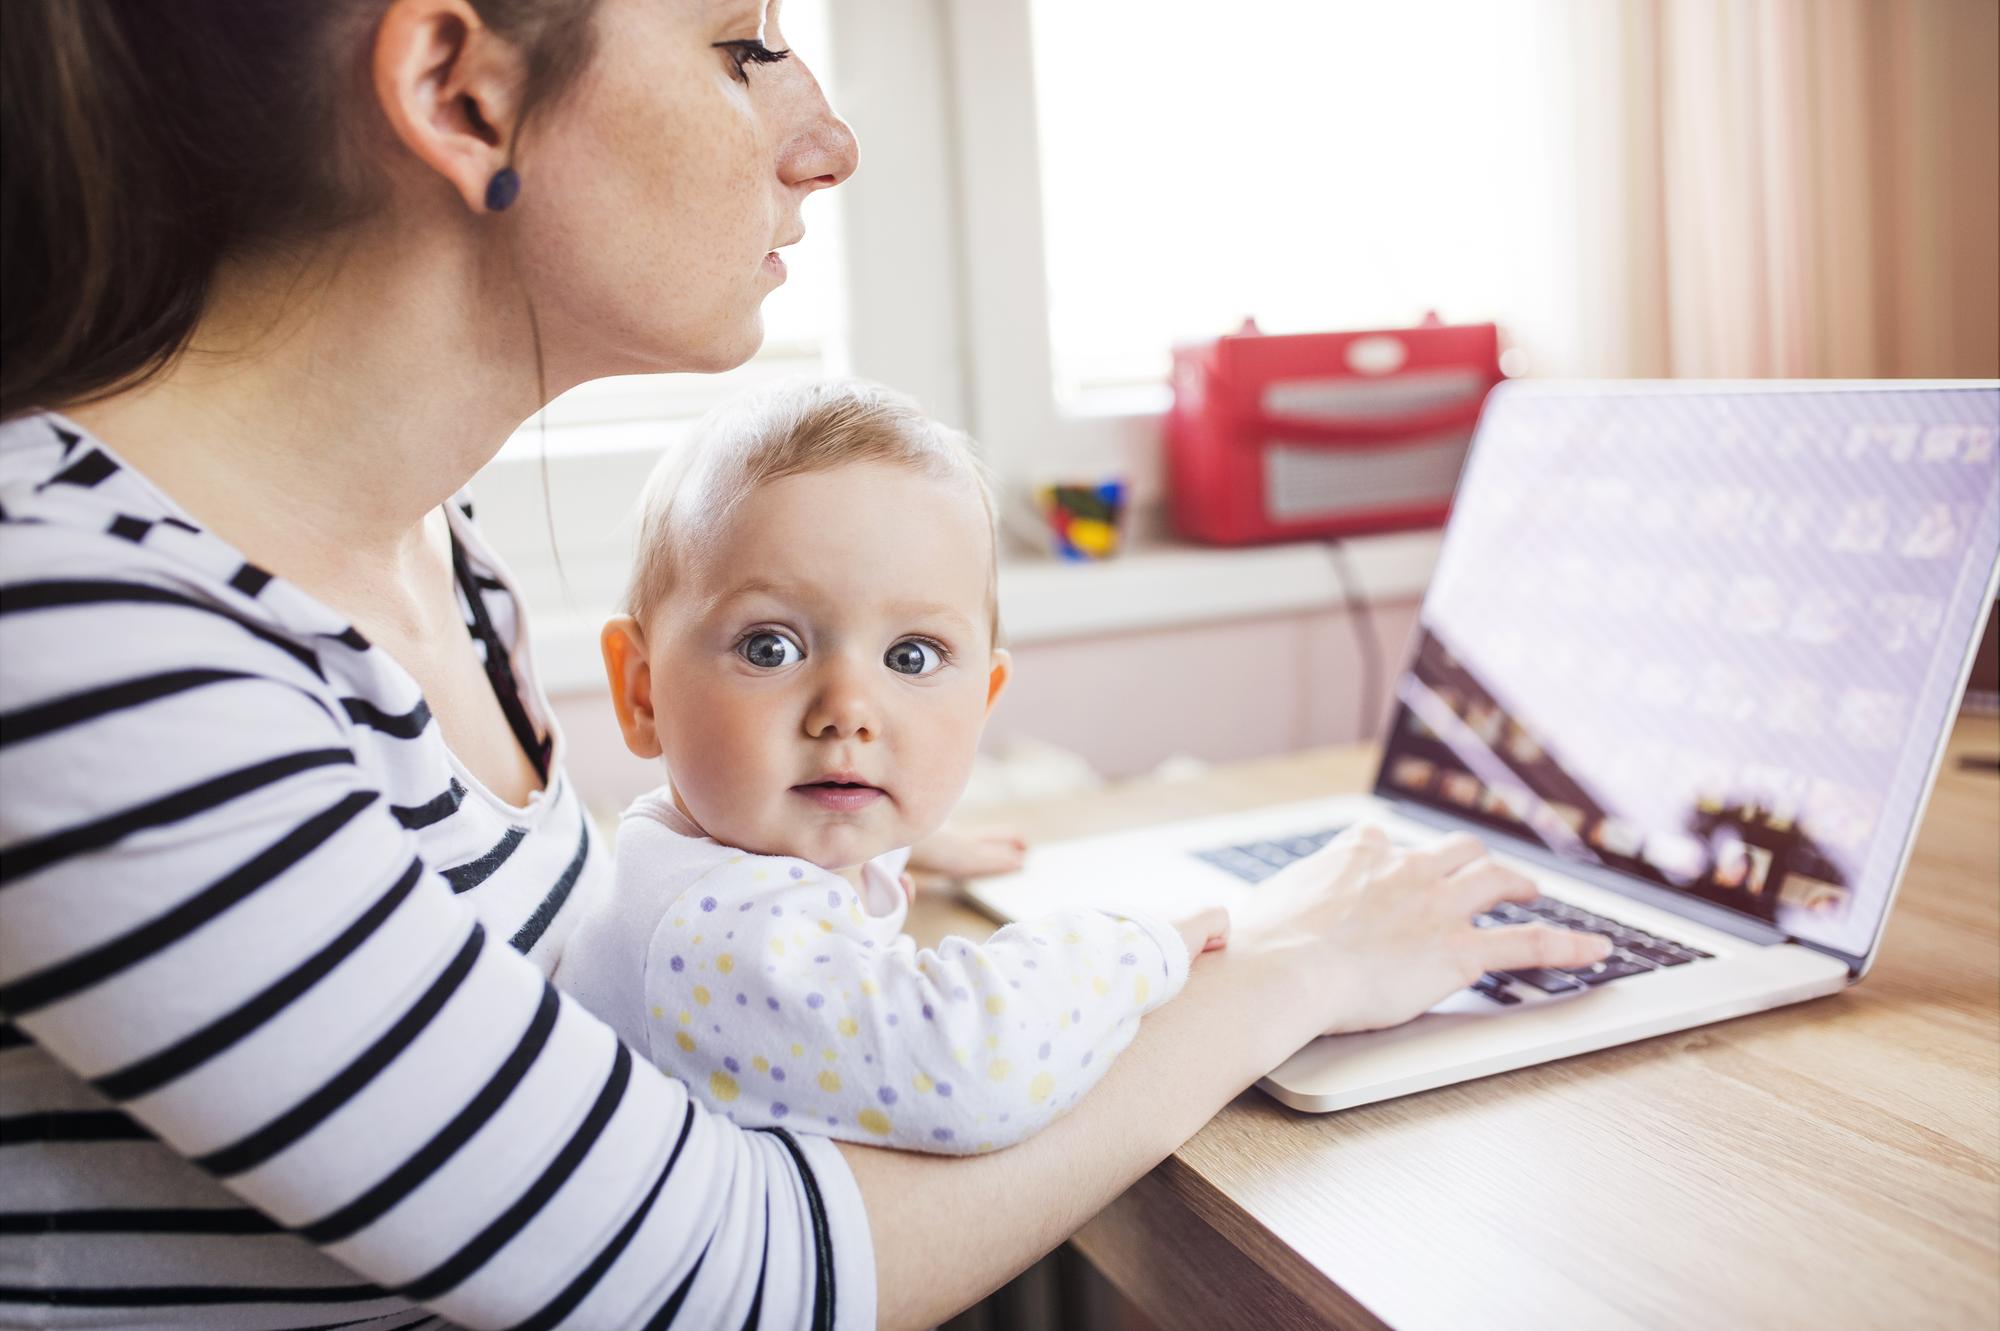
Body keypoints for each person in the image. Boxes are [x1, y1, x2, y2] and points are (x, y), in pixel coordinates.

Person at [0, 2, 1611, 1328]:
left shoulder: (426, 548)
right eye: (743, 43)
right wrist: (1285, 965)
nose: (825, 139)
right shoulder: (76, 631)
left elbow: (505, 993)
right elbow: (734, 1283)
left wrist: (816, 840)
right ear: (461, 91)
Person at [555, 378, 1230, 1153]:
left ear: (984, 696)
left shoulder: (707, 850)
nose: (848, 709)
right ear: (643, 692)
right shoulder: (714, 936)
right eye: (768, 647)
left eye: (911, 655)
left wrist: (899, 840)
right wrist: (1136, 946)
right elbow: (972, 1068)